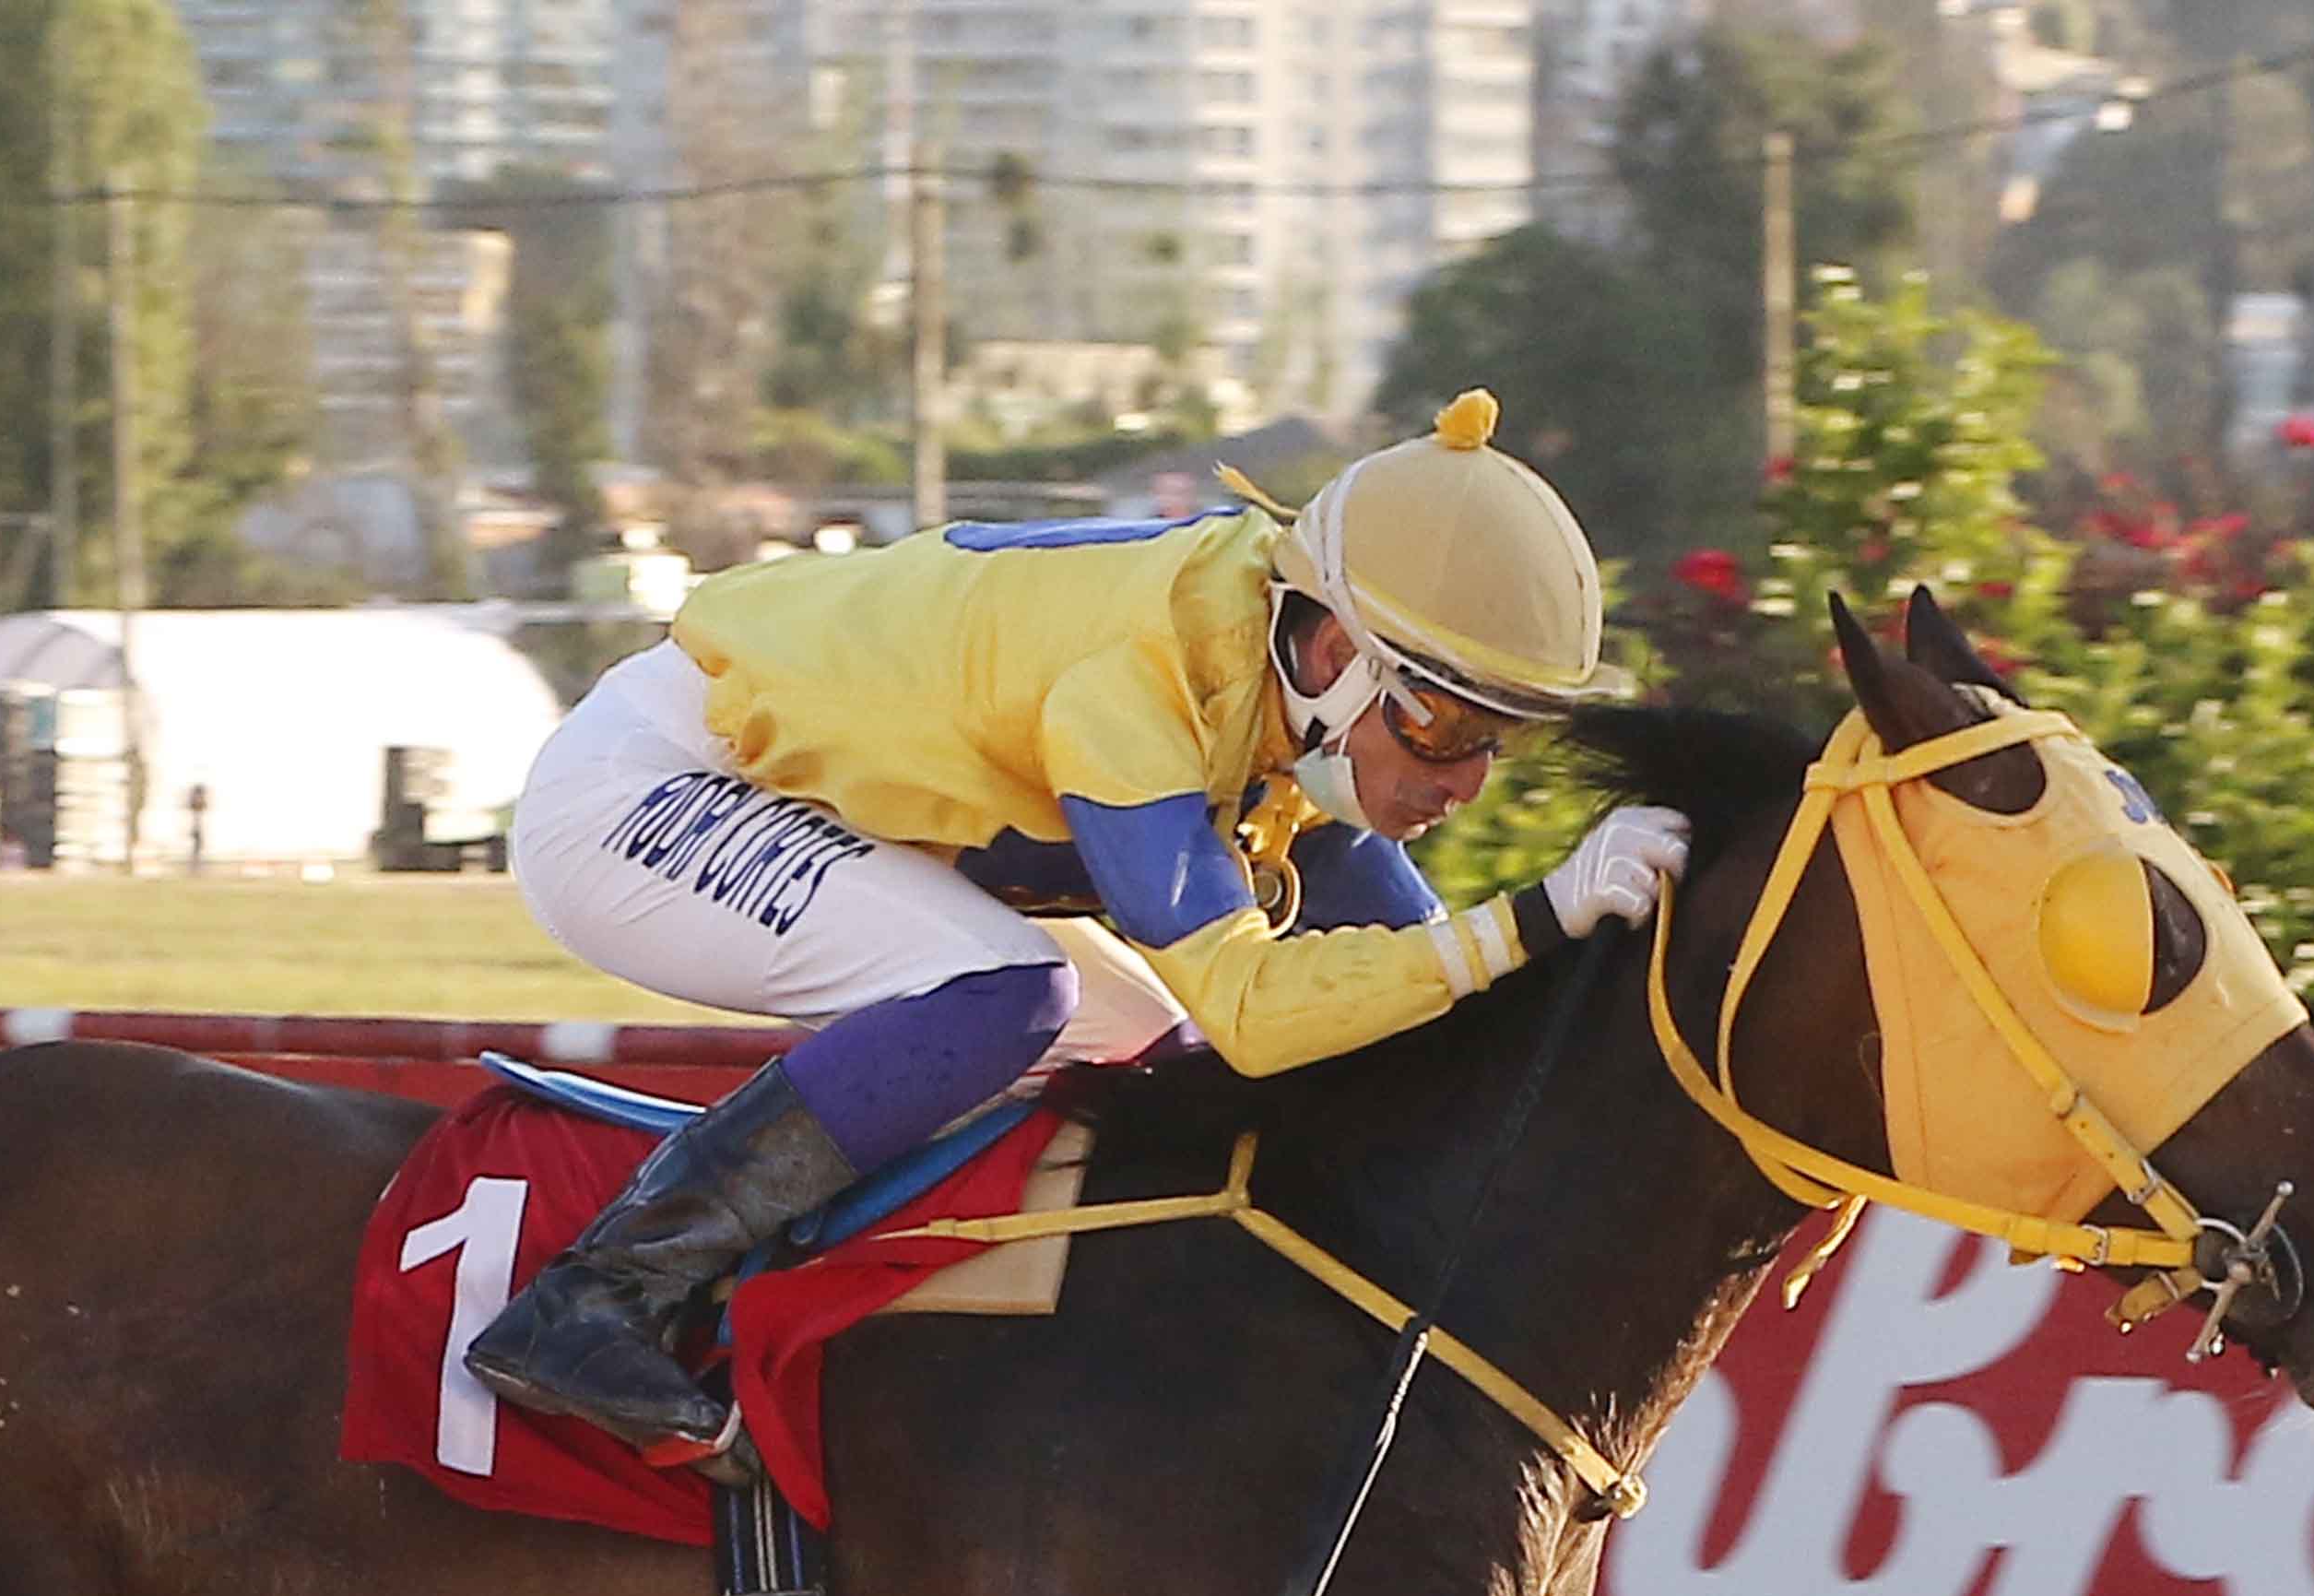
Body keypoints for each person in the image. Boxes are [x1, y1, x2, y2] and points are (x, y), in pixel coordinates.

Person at [473, 390, 1694, 1461]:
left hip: (793, 787)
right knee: (1009, 992)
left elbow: (1426, 1002)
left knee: (1167, 1057)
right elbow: (1264, 1014)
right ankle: (599, 1297)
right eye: (1448, 727)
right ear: (1335, 653)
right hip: (649, 790)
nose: (1467, 781)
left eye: (1501, 739)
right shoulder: (1139, 686)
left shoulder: (1275, 674)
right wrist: (1535, 917)